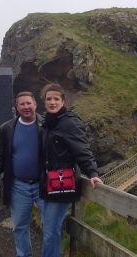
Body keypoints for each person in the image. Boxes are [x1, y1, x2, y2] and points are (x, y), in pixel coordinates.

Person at [39, 83, 103, 257]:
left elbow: (83, 151)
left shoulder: (69, 123)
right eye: (49, 99)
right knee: (49, 226)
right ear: (44, 102)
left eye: (56, 99)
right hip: (48, 182)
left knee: (50, 228)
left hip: (62, 182)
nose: (52, 102)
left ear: (63, 101)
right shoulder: (48, 124)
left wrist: (92, 173)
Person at [0, 92, 45, 257]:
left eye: (29, 103)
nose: (26, 107)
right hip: (18, 185)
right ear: (17, 107)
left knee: (50, 224)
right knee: (20, 226)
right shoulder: (7, 128)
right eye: (22, 104)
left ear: (35, 104)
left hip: (43, 184)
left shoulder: (46, 125)